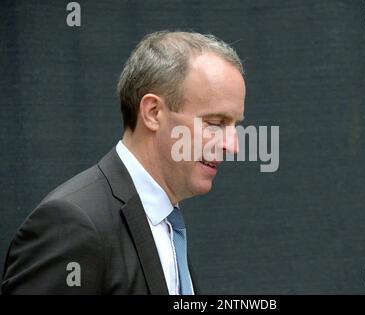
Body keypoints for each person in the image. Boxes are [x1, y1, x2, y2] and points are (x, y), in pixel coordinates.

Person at [1, 31, 246, 294]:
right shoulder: (72, 225)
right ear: (153, 113)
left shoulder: (166, 224)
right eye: (215, 123)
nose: (232, 146)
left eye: (234, 126)